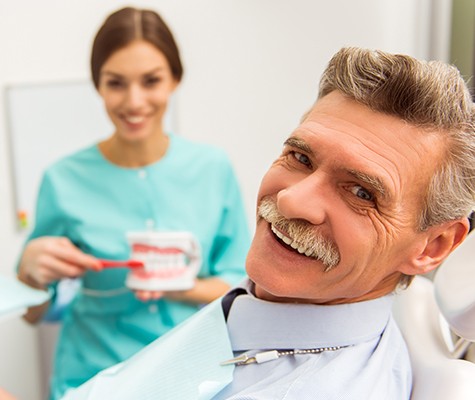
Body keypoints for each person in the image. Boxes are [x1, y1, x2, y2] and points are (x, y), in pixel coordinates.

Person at [62, 46, 475, 400]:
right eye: (300, 158)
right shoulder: (262, 310)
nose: (292, 200)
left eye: (361, 193)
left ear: (433, 246)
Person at [16, 7, 250, 400]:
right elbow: (33, 314)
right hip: (92, 380)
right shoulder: (62, 179)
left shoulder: (212, 168)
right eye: (116, 83)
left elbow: (242, 287)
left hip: (194, 378)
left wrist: (181, 287)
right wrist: (29, 274)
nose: (134, 100)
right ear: (98, 85)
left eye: (151, 80)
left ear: (175, 78)